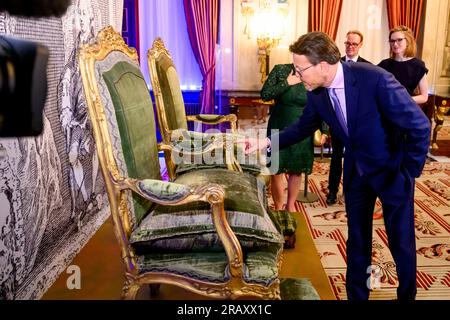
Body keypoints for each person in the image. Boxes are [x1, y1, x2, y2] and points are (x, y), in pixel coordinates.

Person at [240, 32, 430, 300]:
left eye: (300, 69)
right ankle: (357, 296)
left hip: (392, 170)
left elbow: (420, 126)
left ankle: (406, 295)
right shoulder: (317, 93)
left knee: (401, 243)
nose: (296, 75)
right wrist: (265, 143)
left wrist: (409, 171)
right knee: (357, 241)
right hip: (357, 172)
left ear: (323, 66)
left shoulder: (374, 79)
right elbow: (303, 127)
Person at [261, 63, 316, 212]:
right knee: (276, 169)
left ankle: (290, 205)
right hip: (278, 124)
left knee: (296, 169)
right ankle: (279, 207)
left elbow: (320, 102)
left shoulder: (314, 72)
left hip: (303, 127)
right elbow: (265, 94)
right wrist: (287, 83)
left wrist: (323, 130)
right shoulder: (281, 70)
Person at [326, 30, 371, 205]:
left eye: (354, 44)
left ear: (360, 45)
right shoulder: (335, 65)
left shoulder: (367, 67)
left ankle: (350, 192)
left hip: (357, 123)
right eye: (347, 43)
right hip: (338, 121)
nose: (350, 47)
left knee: (353, 159)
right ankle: (332, 191)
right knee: (336, 158)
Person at [378, 25, 429, 105]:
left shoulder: (418, 65)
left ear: (408, 41)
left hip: (405, 109)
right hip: (385, 108)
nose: (395, 44)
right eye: (392, 41)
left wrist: (402, 101)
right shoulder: (384, 64)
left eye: (399, 40)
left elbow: (424, 97)